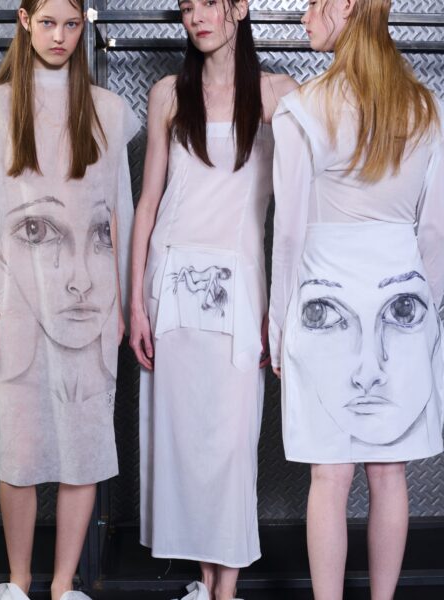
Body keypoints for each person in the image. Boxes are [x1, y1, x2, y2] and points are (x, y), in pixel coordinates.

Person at [0, 0, 139, 598]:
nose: (60, 36)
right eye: (47, 23)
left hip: (91, 305)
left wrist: (122, 304)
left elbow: (119, 215)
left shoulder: (109, 112)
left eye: (71, 24)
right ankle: (18, 582)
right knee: (18, 448)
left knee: (84, 444)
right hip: (13, 305)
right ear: (23, 20)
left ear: (83, 25)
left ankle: (64, 585)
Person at [269, 1, 444, 599]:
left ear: (345, 6)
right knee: (390, 474)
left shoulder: (302, 109)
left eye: (313, 4)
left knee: (329, 475)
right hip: (403, 305)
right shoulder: (427, 107)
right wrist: (425, 316)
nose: (303, 18)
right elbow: (435, 231)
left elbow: (288, 233)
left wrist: (279, 325)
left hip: (325, 305)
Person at [129, 1, 297, 599]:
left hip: (241, 288)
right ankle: (205, 586)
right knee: (181, 443)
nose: (196, 16)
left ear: (240, 7)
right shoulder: (168, 95)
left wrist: (283, 306)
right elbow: (148, 203)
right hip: (172, 281)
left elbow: (303, 203)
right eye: (186, 6)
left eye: (208, 2)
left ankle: (227, 589)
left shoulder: (278, 95)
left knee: (230, 443)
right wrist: (136, 303)